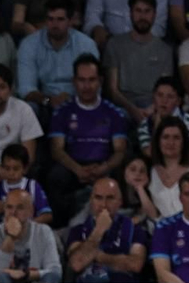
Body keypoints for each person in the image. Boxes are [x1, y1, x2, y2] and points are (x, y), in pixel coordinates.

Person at [44, 55, 129, 223]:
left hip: (104, 164)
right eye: (82, 80)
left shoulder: (114, 113)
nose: (87, 86)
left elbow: (120, 150)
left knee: (123, 171)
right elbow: (56, 149)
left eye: (92, 80)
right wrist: (78, 169)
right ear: (74, 81)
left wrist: (104, 168)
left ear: (100, 81)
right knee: (55, 177)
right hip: (72, 165)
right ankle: (61, 226)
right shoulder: (62, 112)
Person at [64, 176, 149, 283]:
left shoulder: (134, 229)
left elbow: (135, 264)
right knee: (92, 282)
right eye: (98, 198)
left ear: (120, 201)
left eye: (110, 198)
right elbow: (76, 263)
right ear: (91, 200)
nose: (103, 204)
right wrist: (98, 231)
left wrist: (98, 256)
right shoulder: (78, 231)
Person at [102, 0, 172, 120]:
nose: (142, 16)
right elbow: (113, 90)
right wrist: (133, 110)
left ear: (154, 15)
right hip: (124, 106)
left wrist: (150, 110)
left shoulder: (165, 50)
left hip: (153, 106)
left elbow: (165, 91)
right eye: (138, 11)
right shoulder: (114, 44)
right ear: (131, 13)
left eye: (147, 11)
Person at [0, 188, 61, 283]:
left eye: (20, 208)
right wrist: (10, 237)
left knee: (52, 277)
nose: (13, 213)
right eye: (9, 207)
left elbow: (55, 270)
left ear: (31, 211)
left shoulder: (43, 231)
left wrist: (26, 274)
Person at [147, 116, 189, 218]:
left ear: (184, 142)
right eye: (166, 137)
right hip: (165, 230)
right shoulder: (151, 172)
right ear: (158, 141)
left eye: (176, 137)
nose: (171, 143)